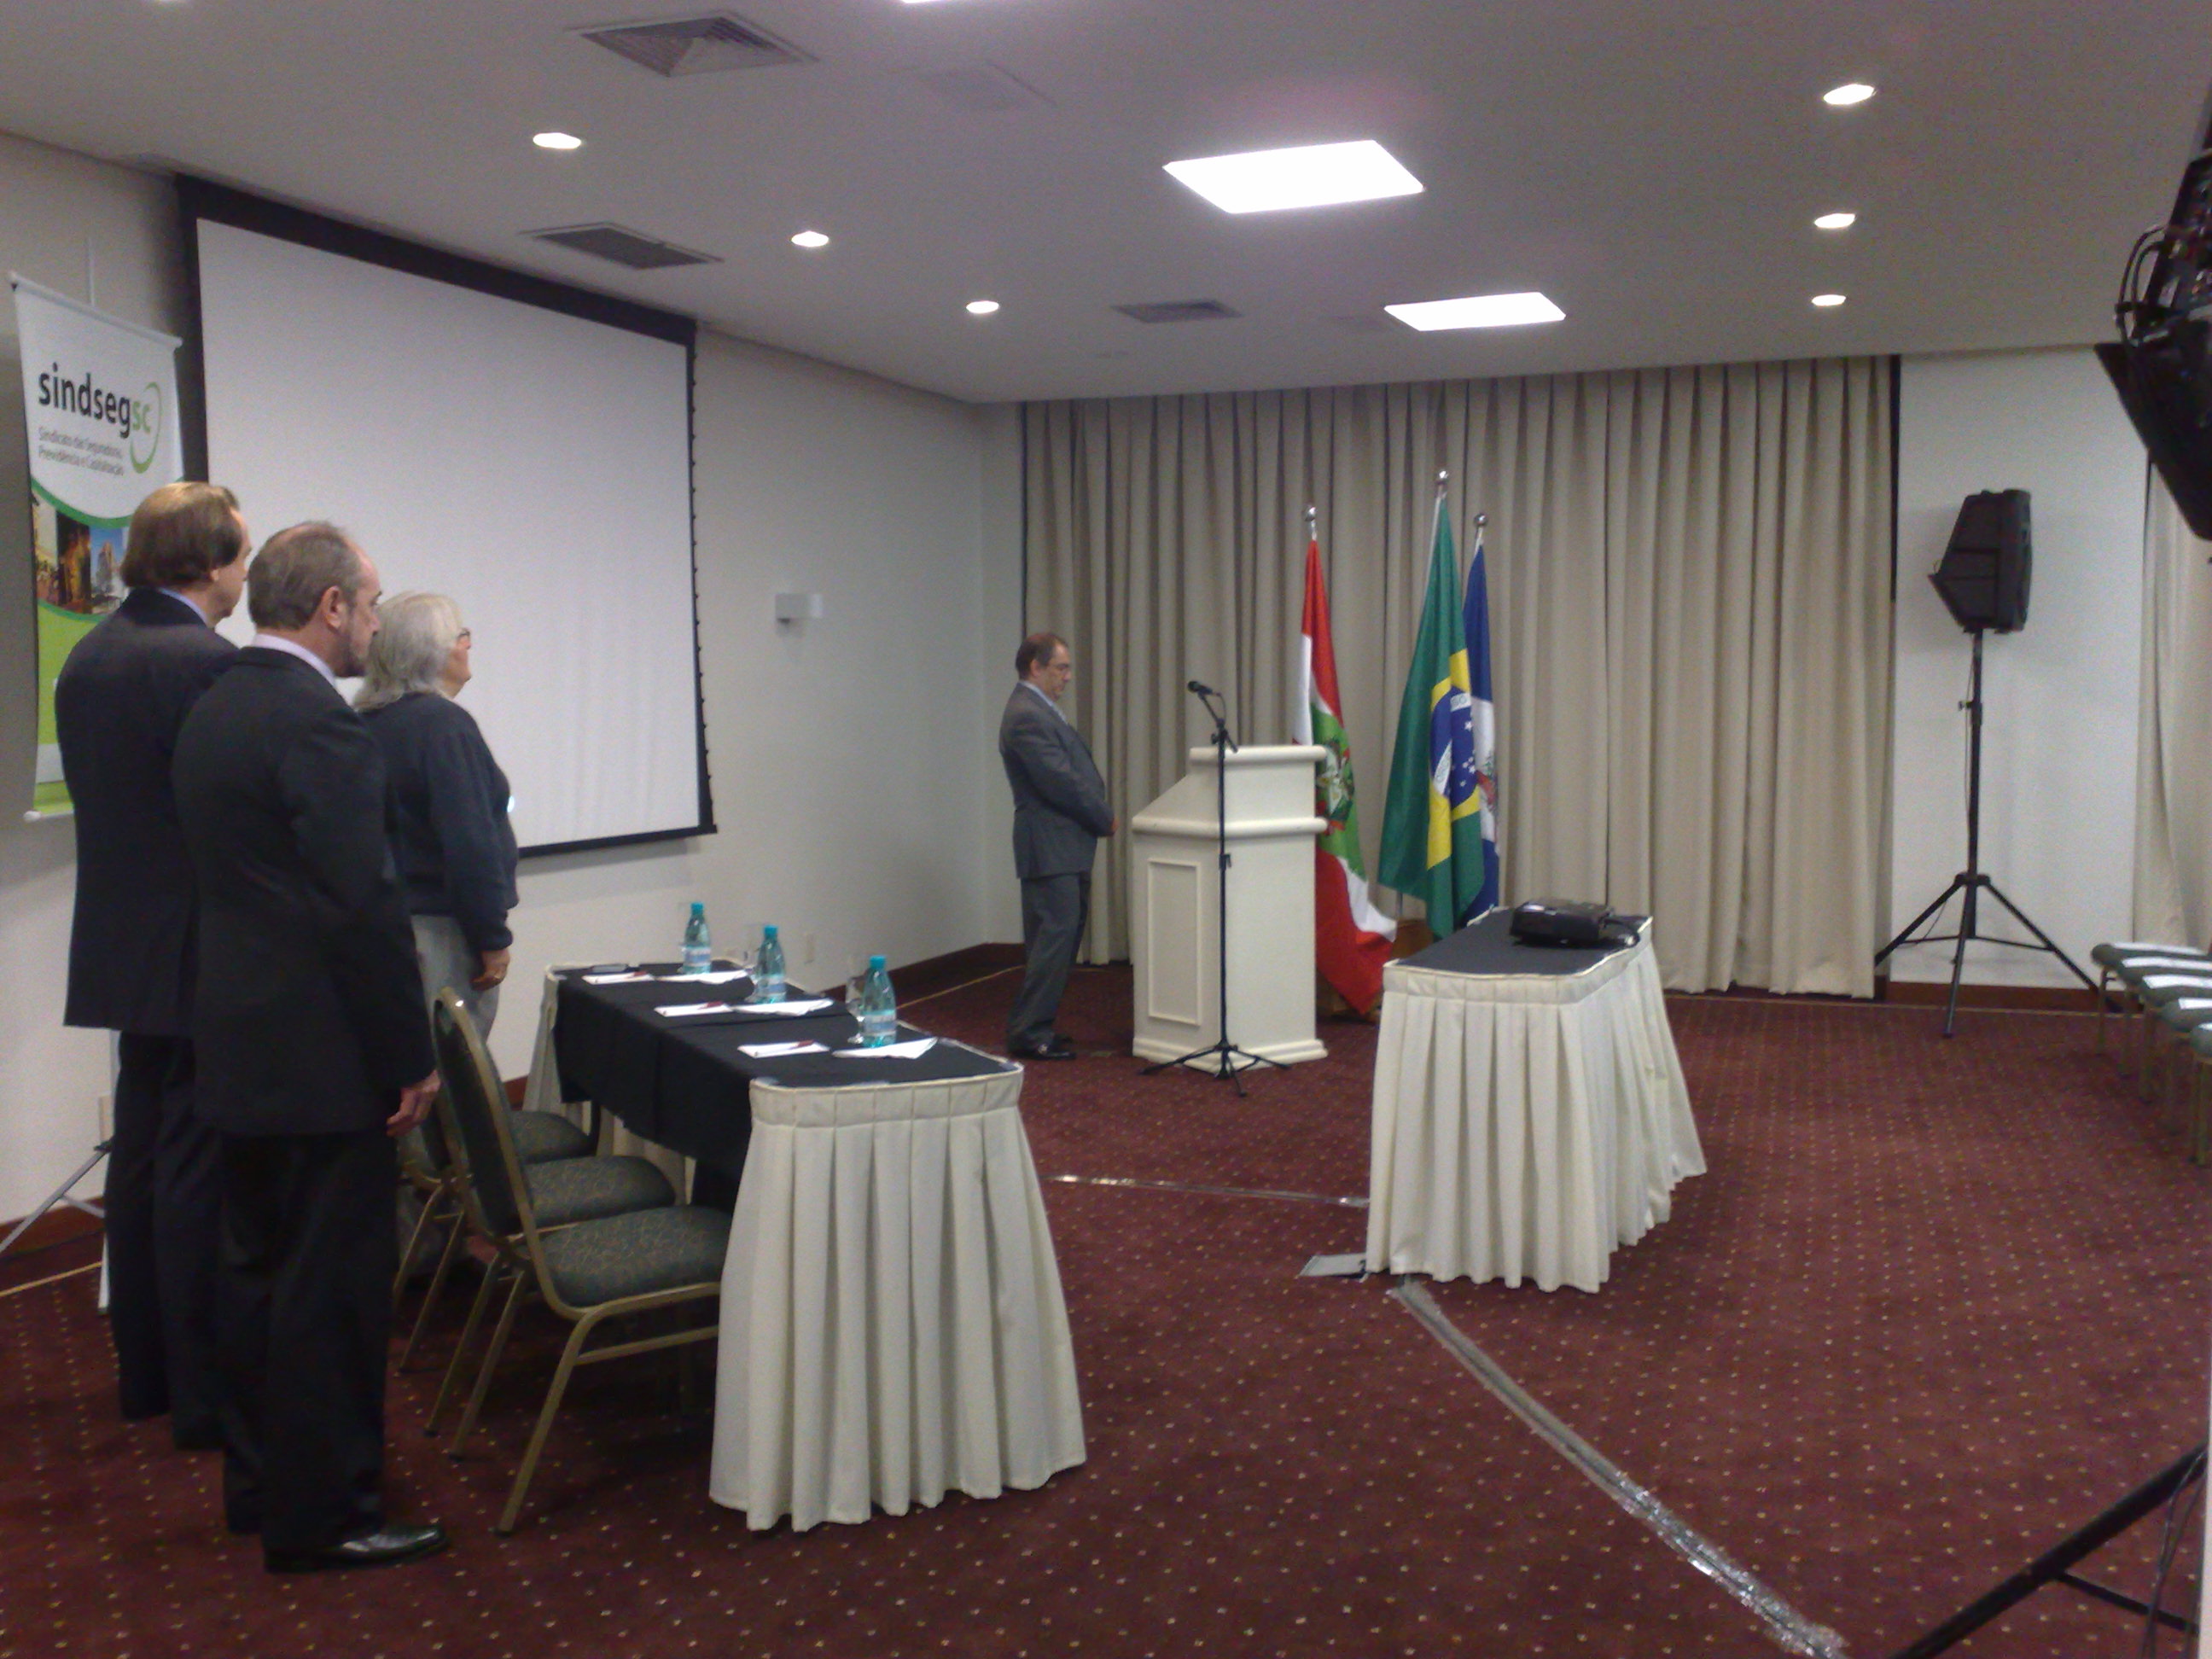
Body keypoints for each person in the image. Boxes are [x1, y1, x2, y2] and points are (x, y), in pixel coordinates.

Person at [172, 522, 445, 1573]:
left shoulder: (216, 705)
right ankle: (327, 1515)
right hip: (324, 1060)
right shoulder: (320, 724)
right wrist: (409, 1056)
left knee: (252, 1275)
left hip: (237, 1043)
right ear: (332, 607)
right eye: (369, 606)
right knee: (329, 1295)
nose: (374, 625)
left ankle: (259, 1487)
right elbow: (362, 909)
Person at [53, 481, 249, 1448]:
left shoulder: (89, 655)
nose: (246, 575)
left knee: (138, 1163)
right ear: (210, 562)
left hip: (124, 945)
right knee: (195, 1173)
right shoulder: (206, 664)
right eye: (241, 555)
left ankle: (148, 1377)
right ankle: (204, 1396)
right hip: (203, 948)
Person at [355, 593, 517, 1035]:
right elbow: (470, 843)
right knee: (451, 1065)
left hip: (385, 931)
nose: (468, 644)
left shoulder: (364, 722)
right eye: (460, 635)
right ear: (431, 651)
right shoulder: (443, 725)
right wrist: (491, 937)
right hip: (442, 935)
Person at [998, 632, 1115, 1060]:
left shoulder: (1040, 709)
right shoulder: (1026, 714)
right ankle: (1029, 1033)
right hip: (1050, 848)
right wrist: (1102, 816)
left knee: (1060, 942)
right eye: (1061, 668)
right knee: (1052, 943)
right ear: (1036, 667)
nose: (1067, 676)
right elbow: (1060, 781)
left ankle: (1039, 1025)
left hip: (1063, 846)